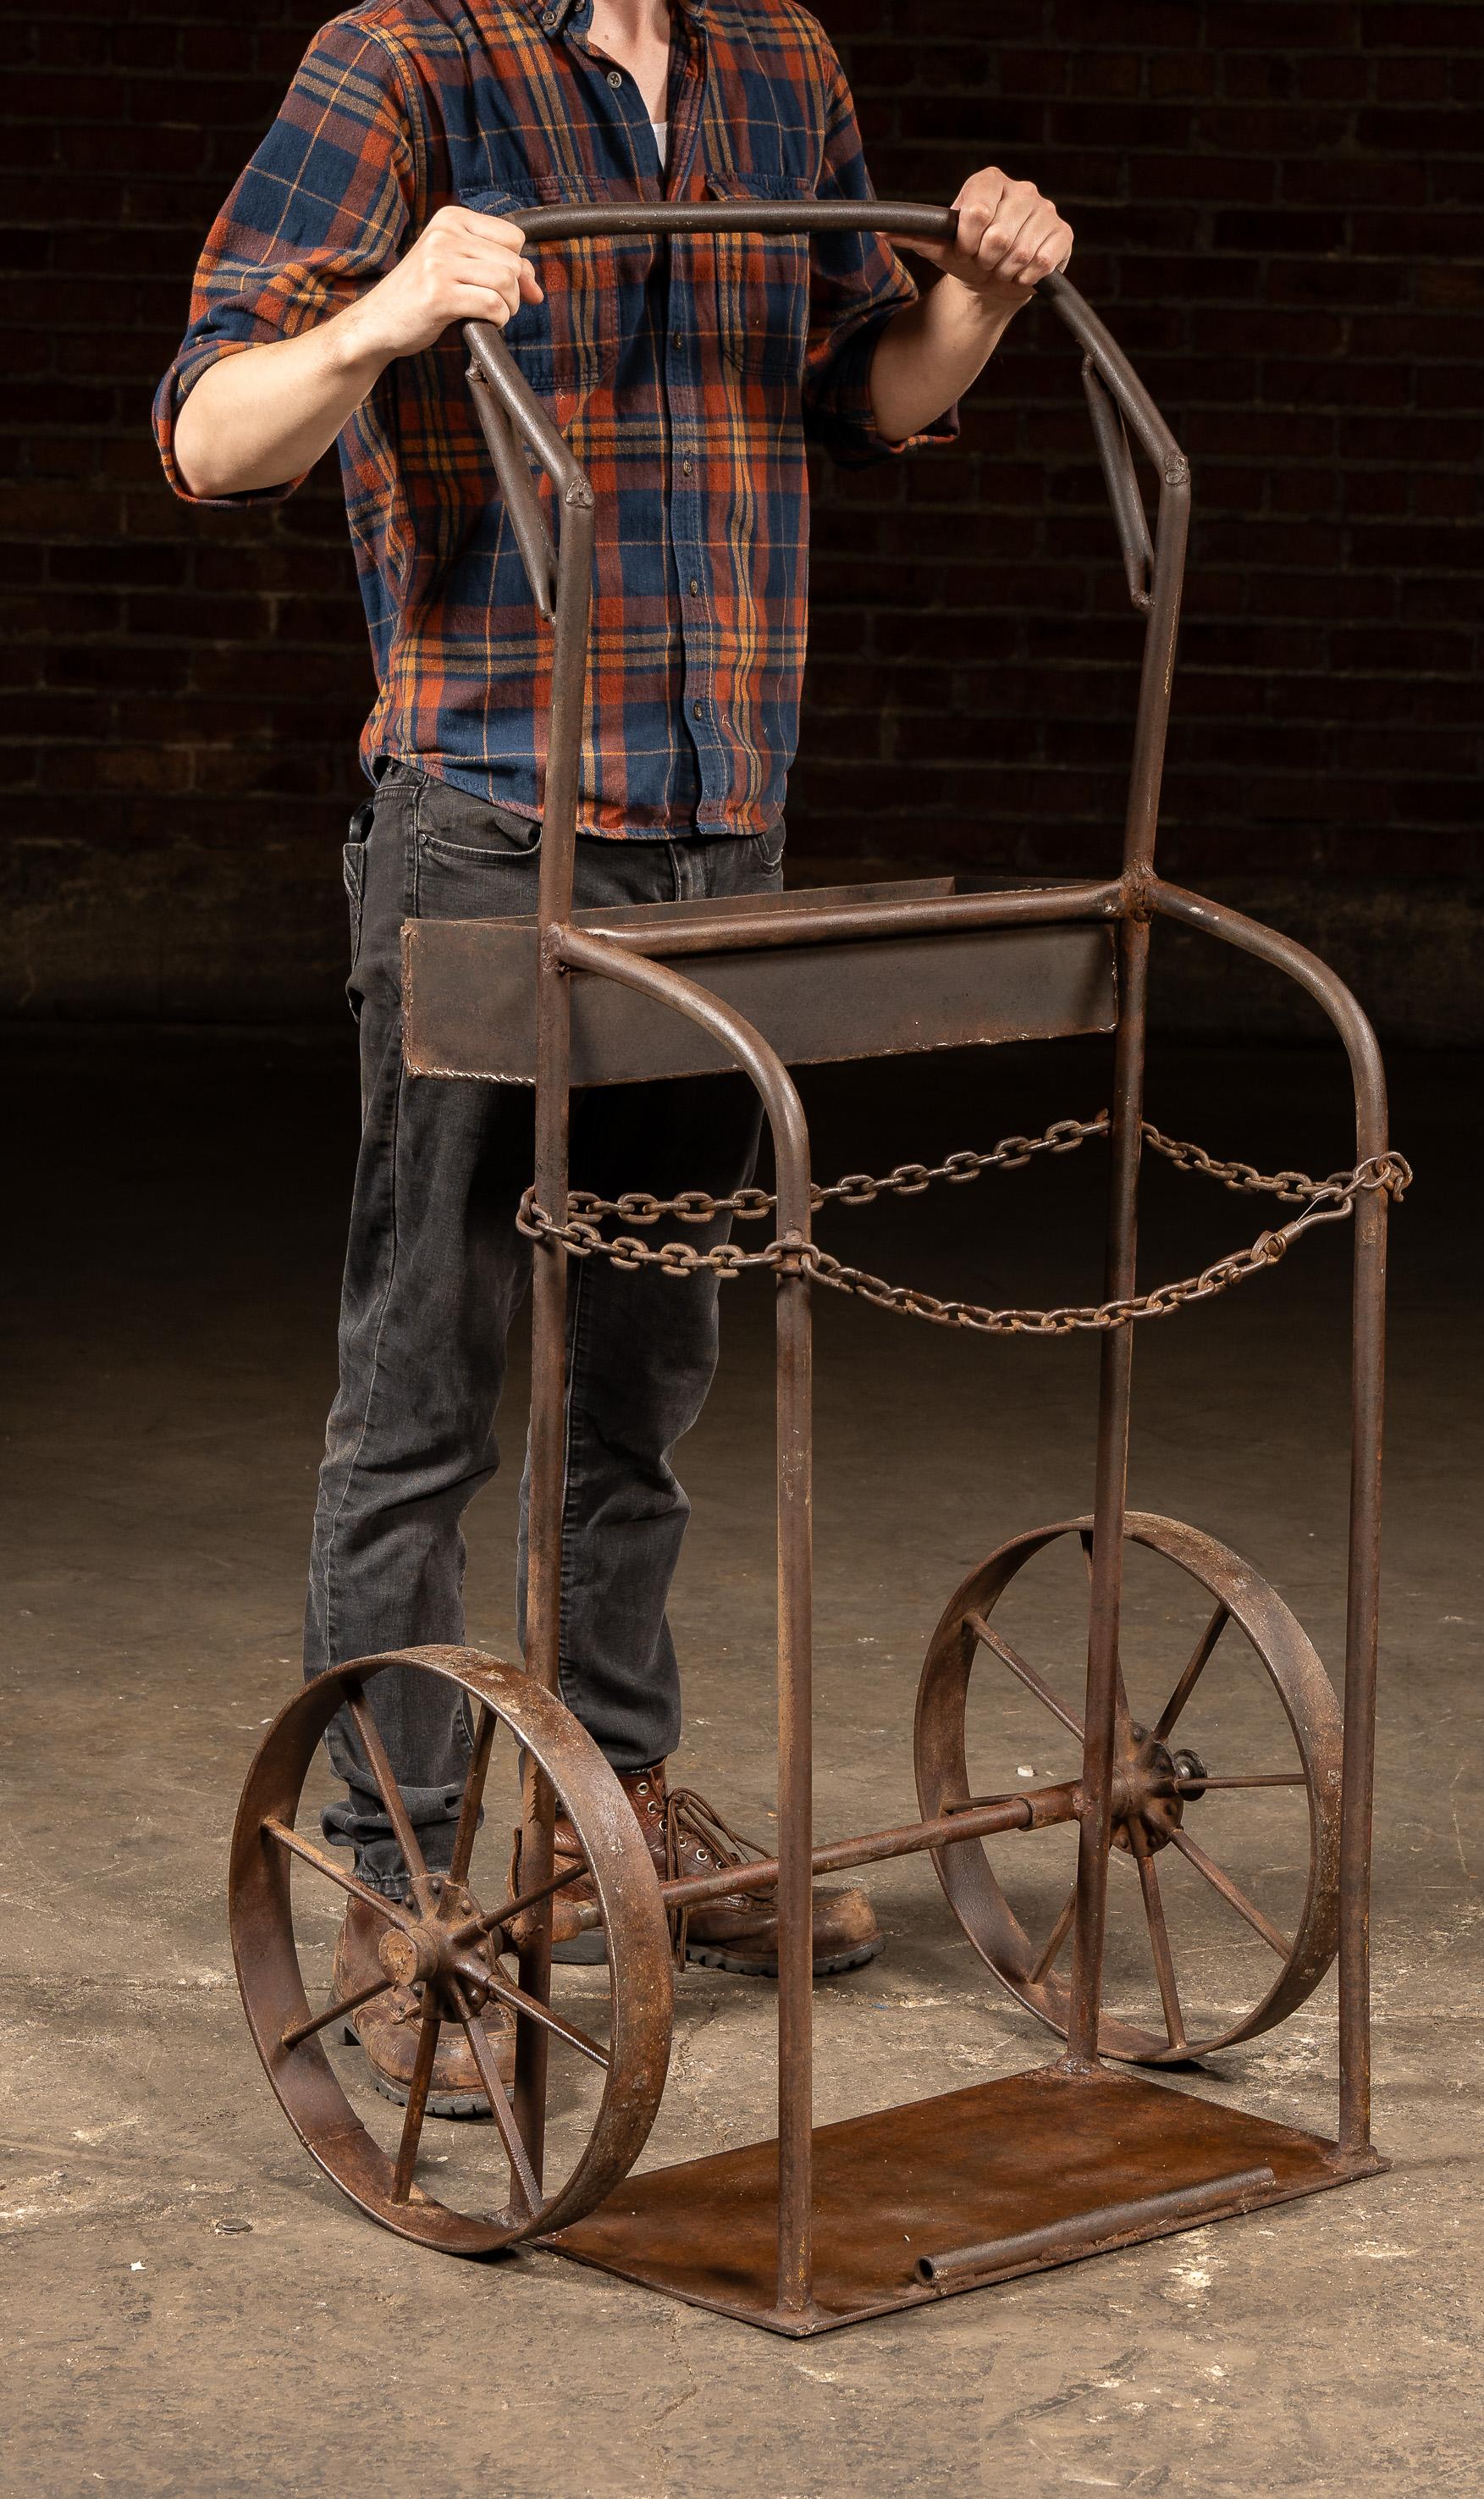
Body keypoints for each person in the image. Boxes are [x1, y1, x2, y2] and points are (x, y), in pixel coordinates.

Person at [156, 0, 1072, 2115]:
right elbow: (216, 435)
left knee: (649, 1362)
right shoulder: (399, 60)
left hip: (719, 816)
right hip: (485, 817)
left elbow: (865, 392)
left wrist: (983, 303)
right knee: (431, 1371)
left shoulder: (780, 64)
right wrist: (387, 309)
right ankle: (396, 1878)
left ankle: (613, 1808)